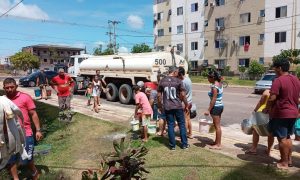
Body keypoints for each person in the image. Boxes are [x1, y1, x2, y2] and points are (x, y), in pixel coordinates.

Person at [3, 78, 43, 180]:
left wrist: (38, 130)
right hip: (9, 135)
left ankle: (34, 172)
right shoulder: (2, 100)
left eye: (12, 87)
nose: (10, 89)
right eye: (7, 88)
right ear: (4, 88)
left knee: (28, 158)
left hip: (26, 133)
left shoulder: (25, 97)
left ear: (16, 86)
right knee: (11, 160)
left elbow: (33, 114)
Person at [264, 59, 300, 169]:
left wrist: (266, 108)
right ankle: (288, 160)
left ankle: (284, 162)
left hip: (281, 113)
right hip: (293, 113)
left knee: (282, 139)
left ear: (279, 68)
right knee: (288, 137)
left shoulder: (278, 80)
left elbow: (272, 98)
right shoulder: (296, 80)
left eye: (275, 67)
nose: (274, 70)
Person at [157, 66, 189, 150]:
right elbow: (183, 94)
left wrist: (160, 106)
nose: (178, 73)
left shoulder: (162, 81)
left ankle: (172, 146)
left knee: (170, 125)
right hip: (178, 106)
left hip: (167, 106)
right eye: (177, 72)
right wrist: (186, 104)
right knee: (181, 124)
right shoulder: (178, 81)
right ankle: (184, 144)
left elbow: (159, 95)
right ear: (174, 72)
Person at [245, 89, 274, 155]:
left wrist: (255, 111)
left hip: (263, 112)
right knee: (271, 133)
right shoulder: (280, 92)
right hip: (273, 113)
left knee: (256, 130)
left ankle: (254, 148)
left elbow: (261, 102)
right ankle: (269, 150)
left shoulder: (267, 92)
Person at [204, 70, 224, 150]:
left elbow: (213, 100)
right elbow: (221, 78)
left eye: (208, 78)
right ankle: (216, 142)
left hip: (216, 107)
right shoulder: (219, 84)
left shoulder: (214, 87)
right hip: (220, 106)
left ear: (212, 78)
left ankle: (218, 144)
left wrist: (208, 110)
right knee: (217, 125)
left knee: (217, 126)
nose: (207, 79)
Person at [178, 67, 193, 139]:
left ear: (181, 74)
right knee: (188, 118)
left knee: (184, 120)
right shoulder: (188, 79)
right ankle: (190, 134)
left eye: (178, 75)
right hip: (190, 102)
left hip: (185, 103)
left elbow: (182, 94)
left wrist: (179, 101)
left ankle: (183, 136)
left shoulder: (183, 82)